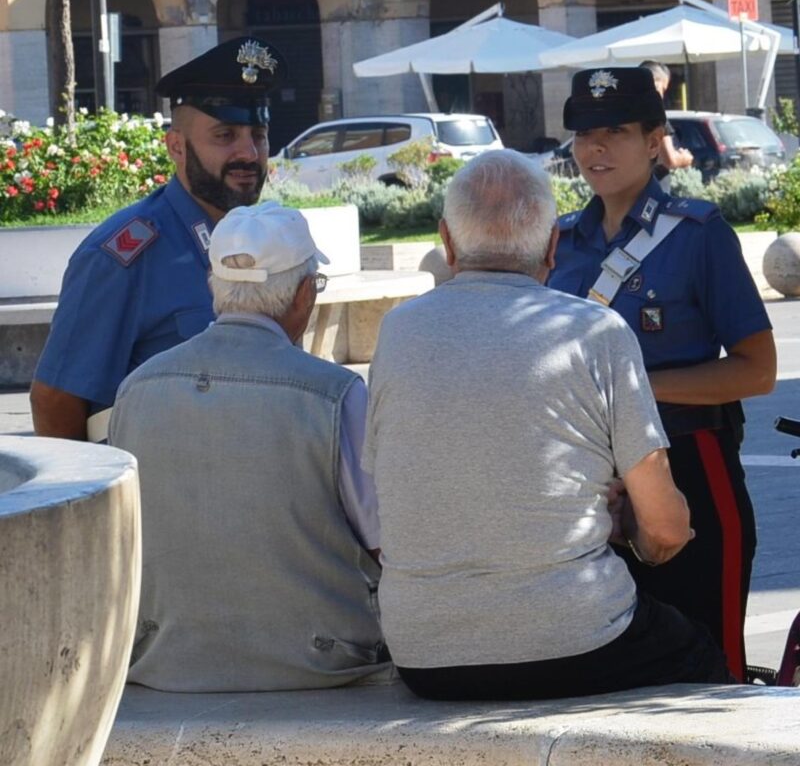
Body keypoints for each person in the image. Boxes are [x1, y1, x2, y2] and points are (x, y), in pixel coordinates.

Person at [362, 149, 731, 701]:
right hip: (576, 638)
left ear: (446, 239)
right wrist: (629, 530)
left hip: (425, 652)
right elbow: (667, 528)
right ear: (553, 247)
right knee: (704, 660)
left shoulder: (396, 333)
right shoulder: (595, 332)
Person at [548, 67, 777, 682]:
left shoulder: (700, 235)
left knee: (710, 666)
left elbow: (759, 371)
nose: (596, 148)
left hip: (691, 464)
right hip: (589, 484)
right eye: (585, 133)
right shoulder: (558, 243)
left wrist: (634, 394)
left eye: (616, 131)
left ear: (655, 141)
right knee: (608, 671)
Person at [108, 202, 391, 691]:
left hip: (165, 663)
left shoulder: (137, 388)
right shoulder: (337, 394)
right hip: (322, 662)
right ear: (304, 294)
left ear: (214, 285)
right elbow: (387, 539)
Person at [30, 36, 287, 442]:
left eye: (258, 133)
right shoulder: (122, 256)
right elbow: (55, 399)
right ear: (176, 147)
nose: (249, 153)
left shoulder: (267, 240)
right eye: (224, 136)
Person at [639, 60, 693, 187]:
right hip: (654, 188)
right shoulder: (656, 116)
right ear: (655, 83)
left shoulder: (624, 115)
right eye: (662, 89)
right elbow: (669, 160)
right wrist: (685, 158)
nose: (662, 96)